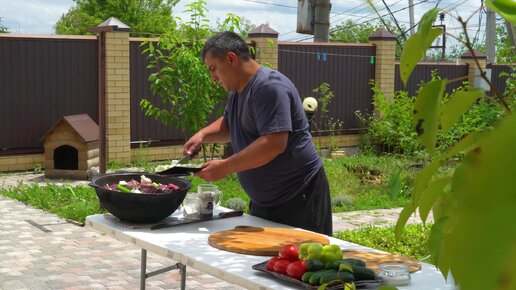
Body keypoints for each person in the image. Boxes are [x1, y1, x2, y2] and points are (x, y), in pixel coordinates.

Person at [183, 31, 332, 236]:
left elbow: (273, 143)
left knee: (303, 264)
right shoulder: (237, 90)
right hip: (266, 201)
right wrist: (203, 135)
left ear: (231, 58)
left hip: (299, 197)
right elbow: (229, 125)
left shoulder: (269, 87)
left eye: (213, 69)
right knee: (262, 264)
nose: (213, 78)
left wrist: (225, 167)